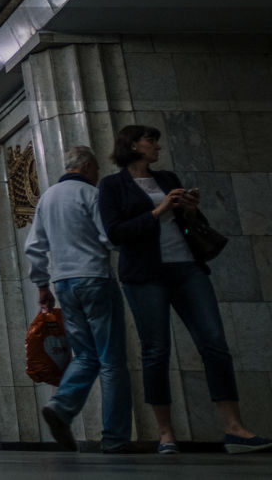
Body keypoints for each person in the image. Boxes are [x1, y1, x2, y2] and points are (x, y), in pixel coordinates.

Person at [98, 124, 272, 455]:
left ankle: (234, 429)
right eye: (151, 141)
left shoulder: (167, 179)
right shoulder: (111, 186)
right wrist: (158, 211)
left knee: (215, 343)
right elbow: (116, 233)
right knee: (156, 351)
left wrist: (190, 210)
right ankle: (166, 434)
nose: (157, 147)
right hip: (144, 275)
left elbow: (192, 225)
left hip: (186, 268)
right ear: (133, 145)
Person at [24, 145, 131, 453]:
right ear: (86, 167)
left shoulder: (47, 198)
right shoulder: (91, 195)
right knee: (111, 360)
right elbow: (107, 236)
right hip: (95, 278)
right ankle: (115, 437)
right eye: (96, 171)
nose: (97, 176)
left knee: (85, 355)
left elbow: (34, 246)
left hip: (64, 283)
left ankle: (61, 406)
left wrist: (42, 284)